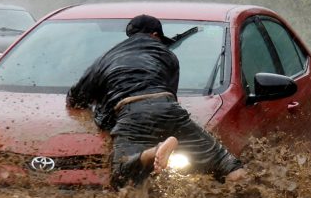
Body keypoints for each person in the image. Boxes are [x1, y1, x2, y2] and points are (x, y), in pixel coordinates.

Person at [67, 14, 247, 188]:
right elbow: (169, 97)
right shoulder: (168, 56)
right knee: (226, 163)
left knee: (120, 174)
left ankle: (155, 151)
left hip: (132, 112)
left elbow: (75, 98)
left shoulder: (106, 59)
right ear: (155, 35)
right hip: (168, 107)